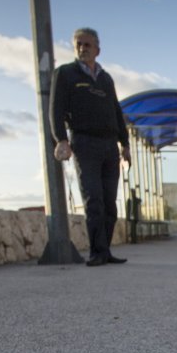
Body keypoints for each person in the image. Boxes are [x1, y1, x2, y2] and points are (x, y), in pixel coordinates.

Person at [50, 27, 131, 267]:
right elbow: (55, 109)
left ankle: (105, 250)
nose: (83, 48)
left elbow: (116, 111)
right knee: (93, 199)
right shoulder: (65, 74)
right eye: (79, 44)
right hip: (84, 142)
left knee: (109, 202)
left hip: (109, 145)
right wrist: (61, 139)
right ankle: (97, 252)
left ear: (98, 49)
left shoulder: (106, 79)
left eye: (88, 45)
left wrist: (125, 144)